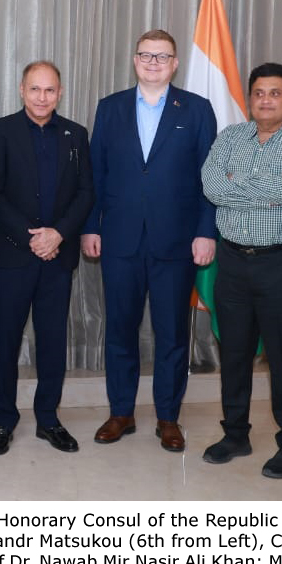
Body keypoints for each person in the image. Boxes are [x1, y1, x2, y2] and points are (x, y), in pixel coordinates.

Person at [80, 29, 216, 452]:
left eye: (162, 56)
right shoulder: (110, 108)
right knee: (119, 329)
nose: (153, 62)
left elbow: (209, 179)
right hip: (119, 240)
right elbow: (94, 175)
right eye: (146, 55)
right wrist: (90, 226)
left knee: (172, 333)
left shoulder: (197, 110)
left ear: (175, 64)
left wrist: (205, 231)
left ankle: (168, 417)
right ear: (134, 60)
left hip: (176, 243)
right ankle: (121, 412)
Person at [200, 63, 282, 477]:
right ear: (250, 98)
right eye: (259, 93)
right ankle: (235, 434)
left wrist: (239, 184)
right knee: (234, 352)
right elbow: (211, 186)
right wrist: (266, 187)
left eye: (275, 93)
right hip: (232, 263)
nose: (265, 100)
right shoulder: (230, 136)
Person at [0, 61, 94, 455]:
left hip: (57, 257)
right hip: (13, 254)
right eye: (35, 89)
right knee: (8, 341)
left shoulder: (76, 135)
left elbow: (85, 192)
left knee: (52, 340)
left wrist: (58, 234)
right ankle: (4, 420)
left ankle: (48, 419)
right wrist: (31, 237)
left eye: (49, 90)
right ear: (21, 89)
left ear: (60, 93)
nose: (42, 97)